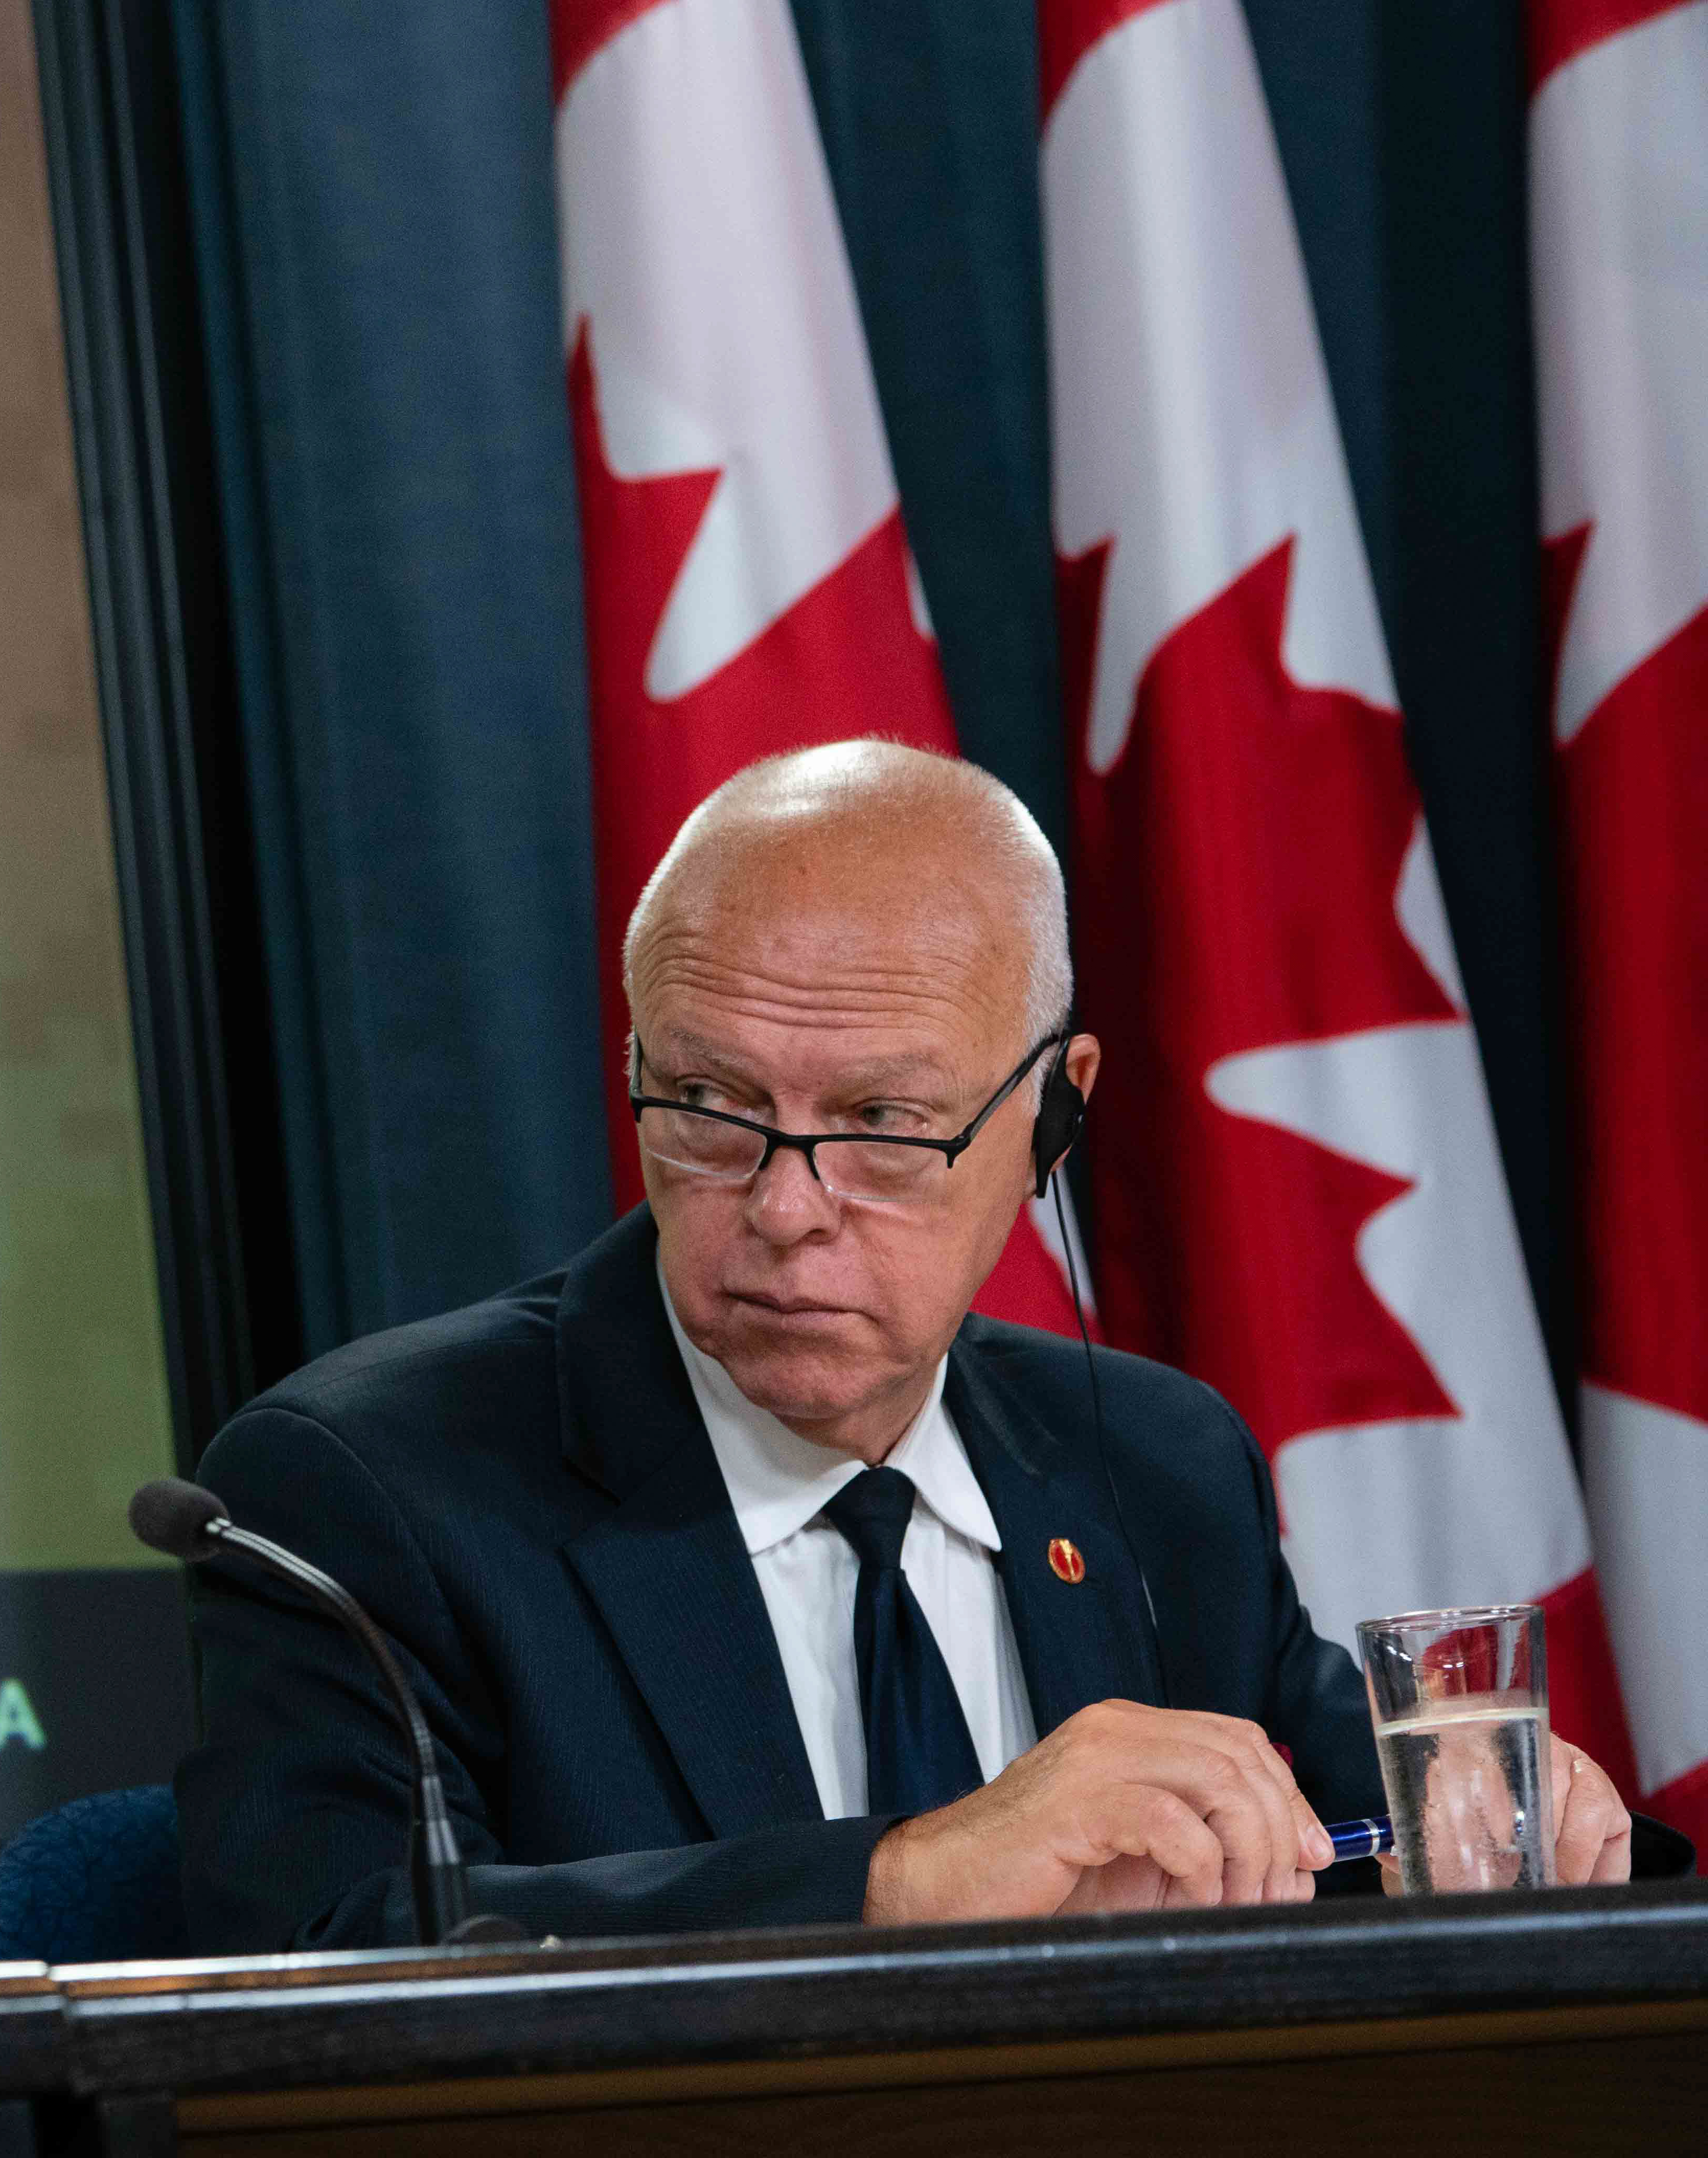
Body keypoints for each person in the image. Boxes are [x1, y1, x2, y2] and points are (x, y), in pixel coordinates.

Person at [179, 740, 1686, 1950]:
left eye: (886, 1127)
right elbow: (323, 1956)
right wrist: (902, 1882)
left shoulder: (1154, 1468)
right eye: (707, 1106)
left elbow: (1363, 1858)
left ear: (1053, 1114)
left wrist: (1533, 1840)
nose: (784, 1207)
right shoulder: (369, 1492)